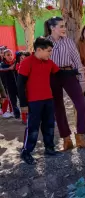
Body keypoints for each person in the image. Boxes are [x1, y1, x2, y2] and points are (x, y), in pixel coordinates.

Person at [45, 16, 85, 150]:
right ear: (52, 28)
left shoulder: (69, 42)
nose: (64, 28)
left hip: (69, 74)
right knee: (58, 108)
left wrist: (82, 80)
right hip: (52, 76)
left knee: (82, 105)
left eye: (64, 26)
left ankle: (80, 137)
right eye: (61, 26)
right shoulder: (44, 42)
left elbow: (77, 61)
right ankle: (66, 140)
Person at [16, 37, 63, 165]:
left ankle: (49, 148)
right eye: (48, 51)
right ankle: (26, 152)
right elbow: (20, 84)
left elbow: (60, 73)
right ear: (39, 50)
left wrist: (76, 71)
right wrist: (23, 104)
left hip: (48, 99)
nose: (50, 53)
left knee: (49, 125)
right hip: (33, 102)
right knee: (33, 128)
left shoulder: (48, 62)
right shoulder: (27, 62)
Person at [0, 49, 20, 119]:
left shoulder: (15, 63)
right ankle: (16, 114)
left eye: (11, 55)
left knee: (22, 99)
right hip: (9, 87)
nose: (10, 56)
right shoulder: (2, 64)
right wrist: (9, 68)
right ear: (4, 56)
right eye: (8, 55)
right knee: (13, 101)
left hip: (18, 85)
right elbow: (4, 69)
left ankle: (26, 114)